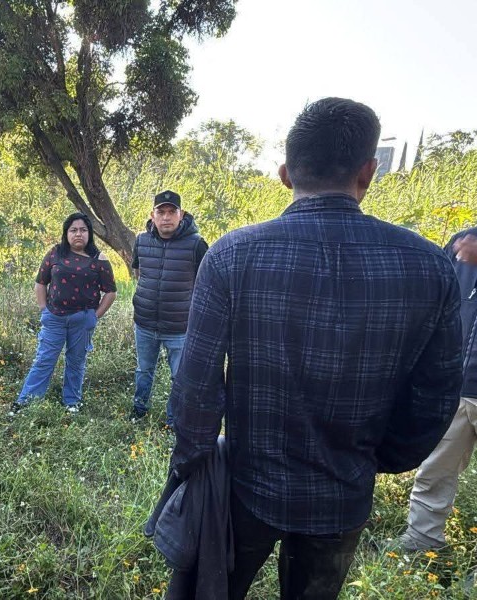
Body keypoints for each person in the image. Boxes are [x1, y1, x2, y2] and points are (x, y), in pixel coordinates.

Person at [168, 98, 462, 599]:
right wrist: (370, 460)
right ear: (369, 172)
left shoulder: (232, 255)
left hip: (245, 485)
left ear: (285, 173)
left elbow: (195, 388)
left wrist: (192, 468)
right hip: (342, 494)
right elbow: (435, 399)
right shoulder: (430, 267)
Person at [397, 225, 477, 551]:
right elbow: (436, 305)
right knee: (434, 474)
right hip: (459, 386)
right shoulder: (463, 242)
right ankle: (421, 547)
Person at [13, 213, 117, 413]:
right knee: (44, 359)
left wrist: (94, 316)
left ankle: (71, 402)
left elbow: (110, 292)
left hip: (83, 319)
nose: (78, 234)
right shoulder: (55, 253)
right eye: (73, 230)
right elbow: (40, 283)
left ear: (90, 234)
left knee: (76, 362)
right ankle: (26, 402)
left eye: (83, 230)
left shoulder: (100, 260)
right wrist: (45, 309)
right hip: (54, 317)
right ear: (66, 233)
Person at [130, 190, 207, 424]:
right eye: (160, 212)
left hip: (180, 327)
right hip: (145, 323)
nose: (166, 217)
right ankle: (139, 410)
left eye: (171, 212)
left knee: (179, 377)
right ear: (152, 215)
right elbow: (138, 272)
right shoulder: (141, 241)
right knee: (144, 370)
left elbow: (206, 283)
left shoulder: (197, 245)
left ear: (181, 214)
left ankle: (174, 420)